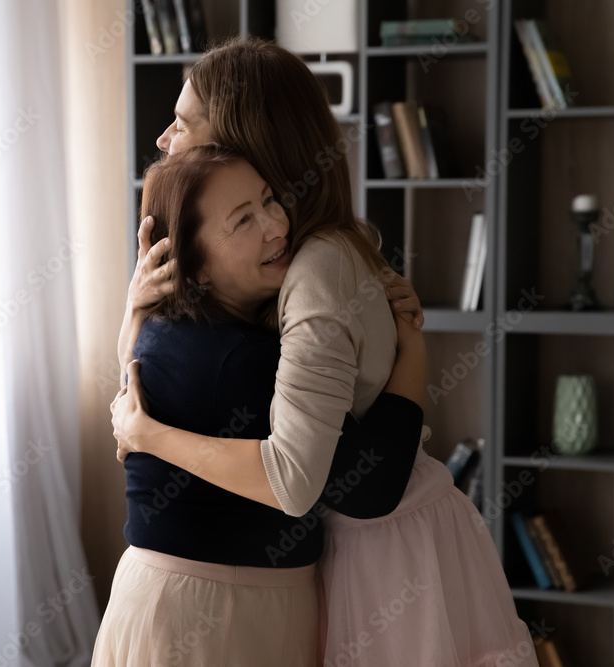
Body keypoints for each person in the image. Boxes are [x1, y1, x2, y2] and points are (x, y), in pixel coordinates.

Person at [111, 37, 537, 666]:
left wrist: (145, 433)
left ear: (241, 138)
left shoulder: (313, 268)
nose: (164, 140)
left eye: (184, 122)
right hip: (348, 540)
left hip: (381, 546)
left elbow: (305, 478)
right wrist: (134, 313)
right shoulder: (286, 256)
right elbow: (148, 386)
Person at [92, 145, 428, 666]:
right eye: (243, 220)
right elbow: (370, 486)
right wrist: (412, 348)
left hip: (184, 601)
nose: (276, 225)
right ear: (195, 267)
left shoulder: (165, 329)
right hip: (220, 615)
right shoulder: (244, 362)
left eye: (270, 200)